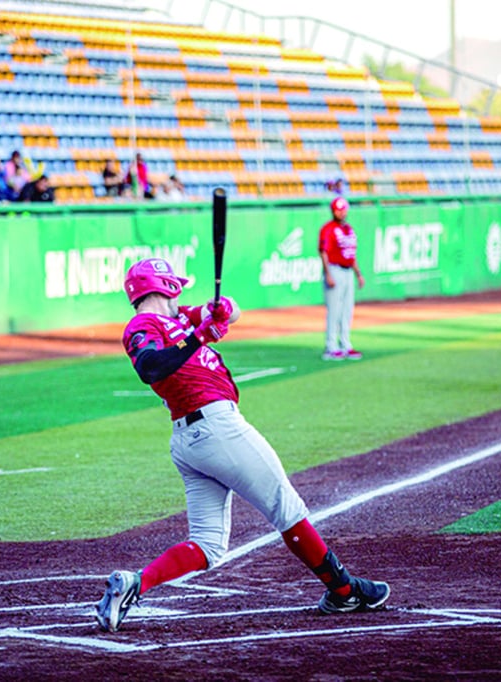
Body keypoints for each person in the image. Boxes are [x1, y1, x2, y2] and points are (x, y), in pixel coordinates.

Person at [94, 258, 390, 633]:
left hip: (194, 441)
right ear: (165, 286)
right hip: (216, 428)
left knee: (208, 545)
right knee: (286, 507)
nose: (181, 294)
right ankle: (344, 590)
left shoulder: (179, 317)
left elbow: (228, 312)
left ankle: (135, 583)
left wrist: (221, 311)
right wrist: (199, 337)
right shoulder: (142, 326)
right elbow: (150, 366)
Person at [318, 197, 365, 360]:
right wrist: (328, 273)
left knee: (347, 309)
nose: (342, 212)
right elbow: (323, 252)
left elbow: (351, 254)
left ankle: (345, 344)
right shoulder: (328, 229)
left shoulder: (349, 229)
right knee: (334, 310)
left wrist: (358, 274)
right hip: (334, 269)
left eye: (343, 209)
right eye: (338, 210)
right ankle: (331, 346)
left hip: (348, 271)